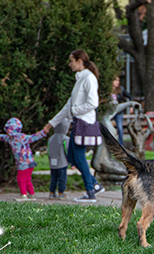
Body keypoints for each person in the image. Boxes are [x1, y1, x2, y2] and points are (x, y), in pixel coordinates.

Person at [44, 49, 104, 202]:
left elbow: (93, 103)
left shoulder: (89, 78)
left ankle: (90, 192)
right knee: (71, 156)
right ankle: (94, 185)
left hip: (83, 123)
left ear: (79, 61)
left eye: (71, 61)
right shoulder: (80, 79)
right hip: (77, 123)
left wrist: (75, 111)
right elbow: (68, 106)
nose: (69, 64)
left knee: (78, 157)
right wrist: (51, 124)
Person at [0, 118, 46, 201]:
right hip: (28, 162)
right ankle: (31, 194)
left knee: (20, 179)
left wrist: (43, 132)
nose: (7, 132)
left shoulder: (22, 137)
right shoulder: (11, 138)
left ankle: (23, 194)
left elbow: (33, 137)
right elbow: (4, 137)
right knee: (27, 179)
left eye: (8, 130)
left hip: (24, 162)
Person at [48, 118, 70, 200]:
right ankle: (61, 193)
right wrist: (70, 161)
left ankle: (51, 192)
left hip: (52, 163)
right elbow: (67, 150)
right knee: (62, 178)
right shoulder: (65, 138)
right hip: (62, 162)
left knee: (53, 178)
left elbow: (49, 151)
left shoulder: (51, 138)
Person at [110, 76, 132, 145]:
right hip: (110, 111)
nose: (117, 82)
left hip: (118, 110)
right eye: (116, 80)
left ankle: (120, 144)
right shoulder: (108, 90)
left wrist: (131, 106)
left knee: (120, 127)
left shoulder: (121, 89)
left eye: (118, 81)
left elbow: (130, 96)